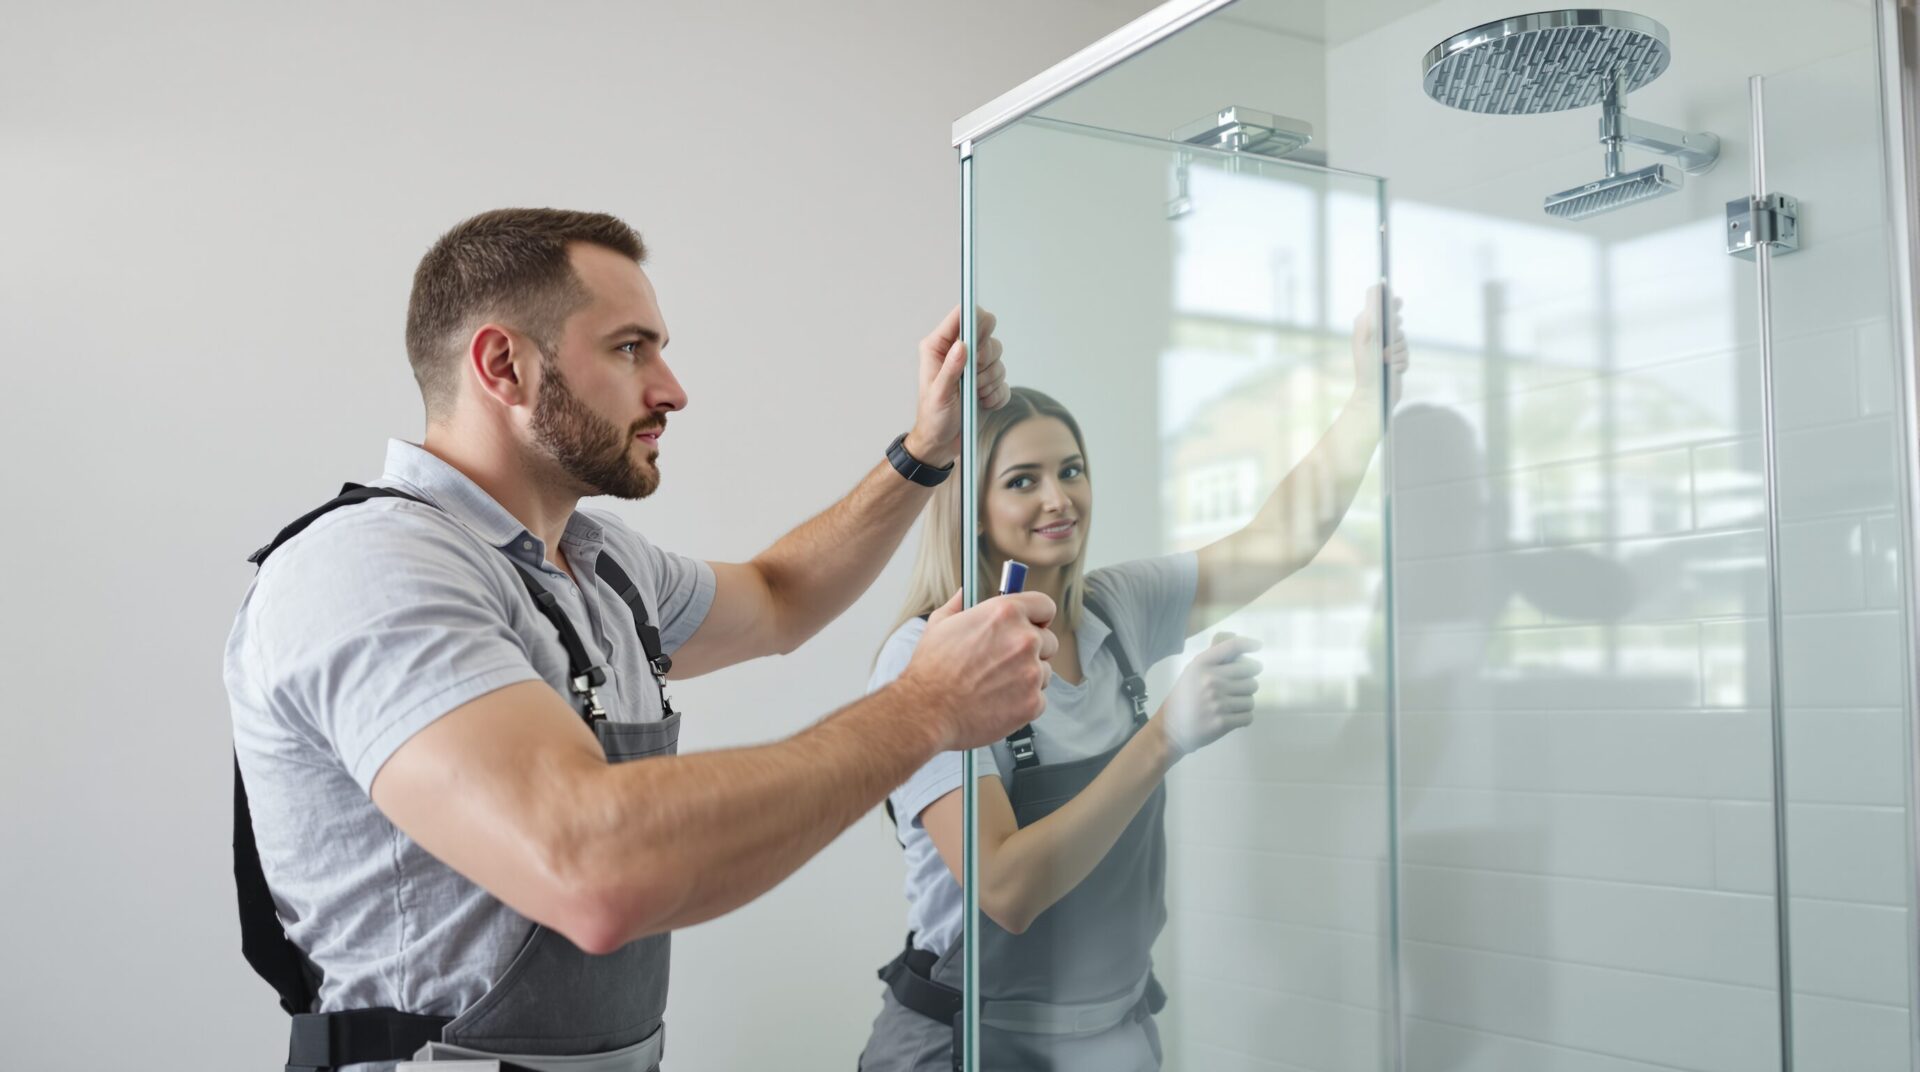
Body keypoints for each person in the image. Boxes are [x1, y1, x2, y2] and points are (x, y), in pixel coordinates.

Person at [224, 207, 1060, 1072]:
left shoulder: (599, 564)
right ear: (503, 365)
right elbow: (592, 868)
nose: (671, 388)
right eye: (631, 348)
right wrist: (925, 709)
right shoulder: (371, 566)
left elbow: (778, 598)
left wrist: (927, 448)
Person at [858, 287, 1409, 1071]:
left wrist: (1366, 404)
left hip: (1111, 1031)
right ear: (974, 509)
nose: (1059, 499)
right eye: (1023, 481)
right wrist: (1163, 738)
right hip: (971, 1043)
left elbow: (1279, 542)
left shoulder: (1115, 610)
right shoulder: (928, 656)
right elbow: (1007, 889)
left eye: (1071, 471)